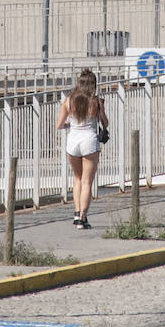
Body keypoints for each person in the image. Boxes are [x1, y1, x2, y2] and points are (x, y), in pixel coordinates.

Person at [56, 68, 108, 229]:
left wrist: (70, 124)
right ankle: (82, 218)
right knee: (87, 182)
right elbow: (105, 123)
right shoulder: (95, 101)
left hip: (73, 142)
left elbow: (59, 125)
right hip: (89, 142)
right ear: (93, 85)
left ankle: (77, 211)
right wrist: (101, 110)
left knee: (77, 178)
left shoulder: (69, 100)